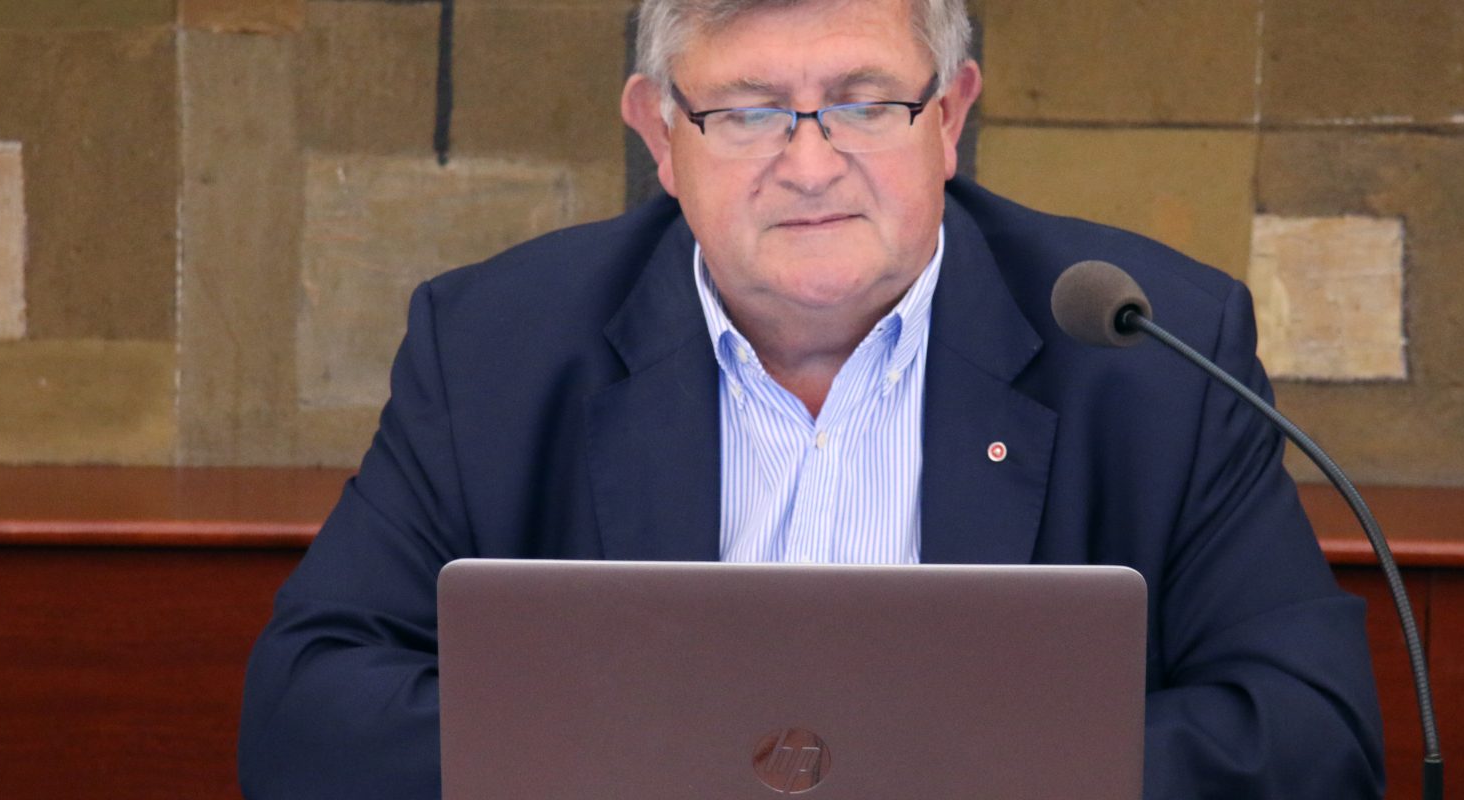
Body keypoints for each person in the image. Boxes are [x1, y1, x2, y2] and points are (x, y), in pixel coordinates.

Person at [238, 0, 1386, 796]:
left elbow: (1310, 732)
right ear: (658, 134)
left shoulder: (1148, 349)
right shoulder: (497, 347)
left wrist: (921, 777)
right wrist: (693, 771)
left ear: (950, 118)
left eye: (863, 102)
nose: (809, 162)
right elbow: (307, 712)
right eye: (746, 111)